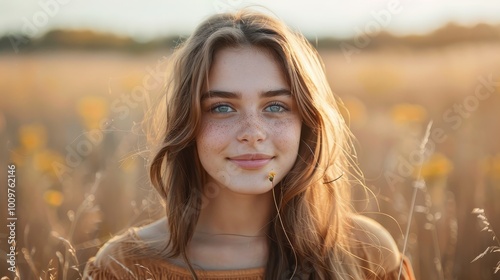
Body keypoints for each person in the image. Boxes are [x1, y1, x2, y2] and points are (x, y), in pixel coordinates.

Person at [83, 8, 415, 280]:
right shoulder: (123, 266)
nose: (252, 132)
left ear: (306, 122)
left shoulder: (367, 253)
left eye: (276, 106)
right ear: (188, 123)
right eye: (222, 107)